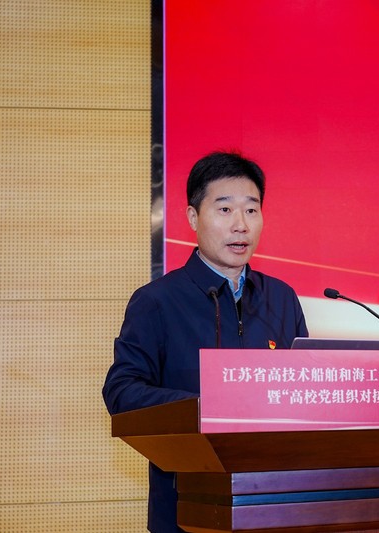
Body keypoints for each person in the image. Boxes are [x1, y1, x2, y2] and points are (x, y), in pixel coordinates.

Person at [102, 151, 308, 532]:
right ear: (193, 218)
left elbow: (303, 390)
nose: (241, 225)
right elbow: (121, 391)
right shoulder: (156, 302)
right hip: (186, 510)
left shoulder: (282, 299)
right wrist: (204, 405)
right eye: (225, 209)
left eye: (251, 210)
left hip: (276, 508)